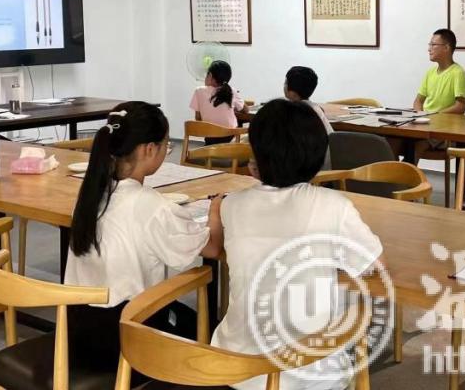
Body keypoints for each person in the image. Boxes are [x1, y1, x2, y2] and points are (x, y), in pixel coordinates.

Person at [212, 99, 382, 390]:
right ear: (317, 154)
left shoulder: (231, 205)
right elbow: (375, 265)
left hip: (236, 367)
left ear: (256, 155)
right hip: (310, 373)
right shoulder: (333, 205)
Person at [65, 101, 224, 383]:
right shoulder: (150, 205)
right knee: (210, 331)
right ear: (148, 149)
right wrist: (215, 211)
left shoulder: (91, 194)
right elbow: (212, 248)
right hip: (128, 342)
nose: (166, 152)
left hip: (78, 332)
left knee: (182, 315)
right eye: (166, 146)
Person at [395, 28, 465, 164]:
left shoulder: (458, 73)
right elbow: (418, 101)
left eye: (433, 45)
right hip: (425, 124)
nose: (429, 49)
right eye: (429, 45)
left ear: (446, 47)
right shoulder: (430, 72)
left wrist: (434, 116)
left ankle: (406, 173)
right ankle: (391, 173)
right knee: (392, 140)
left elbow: (460, 107)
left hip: (444, 130)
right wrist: (420, 115)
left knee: (416, 144)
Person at [189, 60, 245, 144]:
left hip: (210, 139)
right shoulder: (231, 90)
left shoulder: (199, 91)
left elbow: (198, 118)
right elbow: (245, 110)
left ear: (210, 75)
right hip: (230, 140)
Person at [283, 65, 333, 134]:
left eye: (285, 83)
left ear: (292, 92)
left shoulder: (294, 112)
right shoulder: (315, 108)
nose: (284, 86)